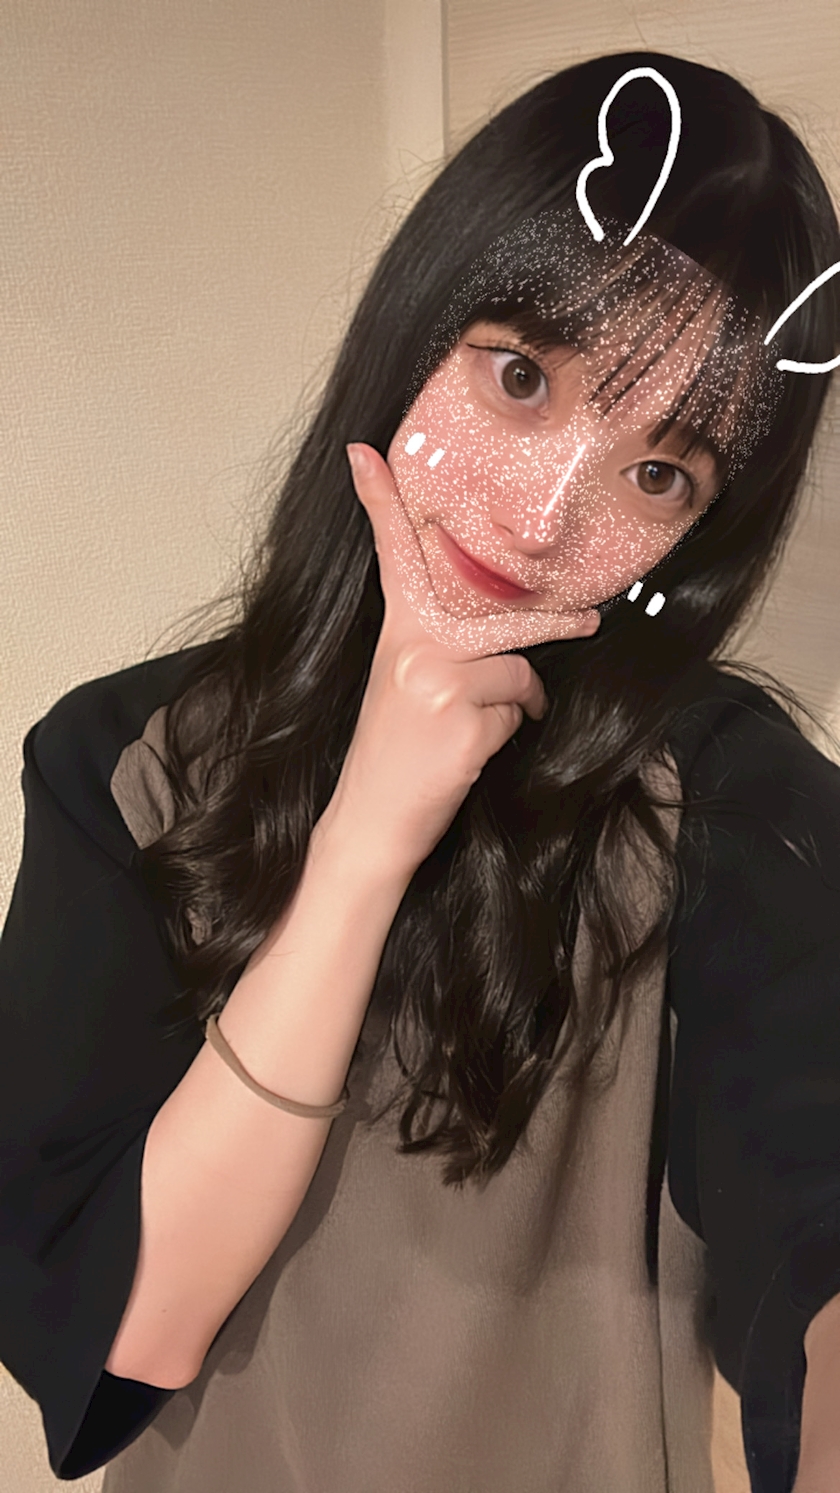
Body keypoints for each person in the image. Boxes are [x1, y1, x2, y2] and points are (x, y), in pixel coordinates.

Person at [2, 46, 840, 1493]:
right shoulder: (124, 765)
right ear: (412, 329)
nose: (545, 514)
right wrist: (368, 835)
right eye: (520, 376)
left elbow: (812, 1181)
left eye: (659, 473)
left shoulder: (726, 795)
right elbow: (124, 1333)